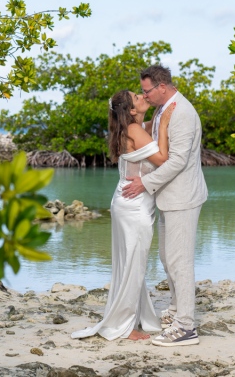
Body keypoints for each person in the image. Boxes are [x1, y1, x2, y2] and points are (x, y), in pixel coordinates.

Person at [71, 89, 175, 341]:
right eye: (137, 97)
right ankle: (125, 327)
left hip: (126, 201)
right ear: (130, 110)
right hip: (134, 205)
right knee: (132, 265)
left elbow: (150, 127)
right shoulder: (134, 130)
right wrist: (165, 126)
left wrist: (160, 119)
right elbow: (162, 158)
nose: (142, 96)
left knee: (129, 264)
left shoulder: (131, 128)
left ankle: (132, 319)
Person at [122, 64, 208, 347]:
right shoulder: (162, 109)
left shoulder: (181, 112)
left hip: (183, 196)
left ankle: (186, 327)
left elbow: (177, 161)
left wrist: (144, 184)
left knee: (180, 260)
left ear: (162, 86)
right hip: (168, 197)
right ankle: (175, 309)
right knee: (167, 258)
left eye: (147, 91)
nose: (144, 96)